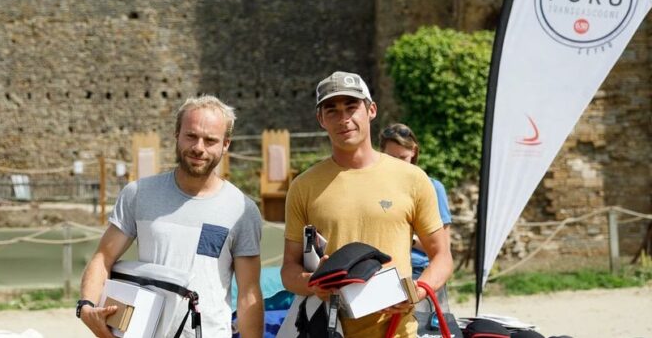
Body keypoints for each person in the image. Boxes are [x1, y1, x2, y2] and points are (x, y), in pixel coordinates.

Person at [281, 71, 453, 337]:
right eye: (332, 111)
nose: (344, 119)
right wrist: (313, 284)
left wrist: (416, 291)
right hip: (329, 331)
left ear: (371, 110)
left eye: (352, 108)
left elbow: (442, 256)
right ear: (320, 119)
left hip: (398, 332)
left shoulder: (413, 179)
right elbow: (288, 270)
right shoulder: (303, 186)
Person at [78, 95, 264, 338]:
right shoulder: (139, 193)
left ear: (226, 144)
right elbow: (103, 257)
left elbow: (249, 293)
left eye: (210, 140)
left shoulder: (242, 209)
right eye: (191, 136)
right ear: (177, 134)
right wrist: (87, 307)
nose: (199, 147)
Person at [379, 123, 452, 312]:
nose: (397, 164)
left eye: (402, 158)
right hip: (385, 275)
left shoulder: (433, 188)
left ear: (414, 152)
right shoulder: (376, 190)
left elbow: (444, 248)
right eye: (391, 158)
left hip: (422, 275)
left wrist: (406, 239)